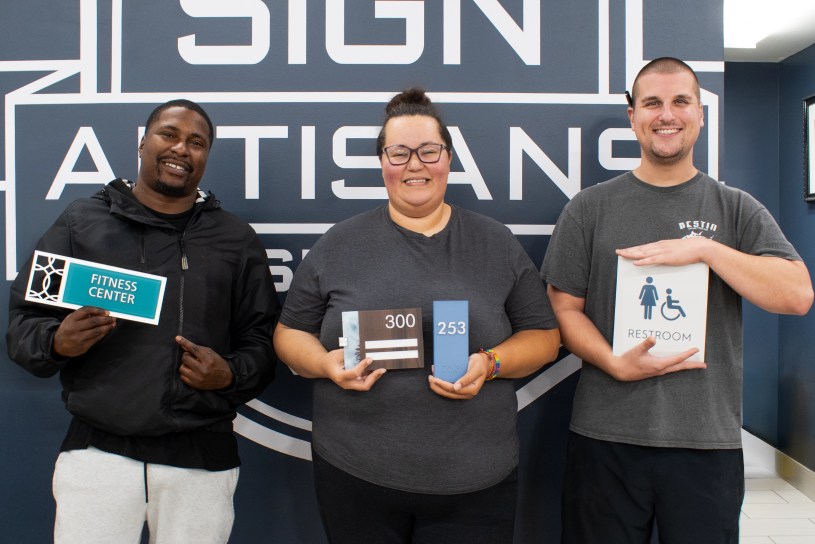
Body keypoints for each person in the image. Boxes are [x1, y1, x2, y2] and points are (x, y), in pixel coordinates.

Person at [541, 57, 814, 543]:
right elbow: (563, 308)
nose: (666, 115)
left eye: (680, 102)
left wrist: (707, 250)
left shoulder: (735, 208)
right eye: (652, 103)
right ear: (633, 116)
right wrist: (612, 361)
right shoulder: (589, 208)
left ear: (700, 114)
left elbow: (797, 295)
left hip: (707, 442)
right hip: (606, 439)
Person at [273, 88, 560, 543]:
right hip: (355, 474)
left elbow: (544, 338)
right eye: (399, 152)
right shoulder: (340, 243)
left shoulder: (495, 242)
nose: (414, 165)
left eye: (429, 151)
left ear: (448, 158)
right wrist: (325, 365)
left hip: (476, 481)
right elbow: (289, 333)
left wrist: (490, 363)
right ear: (382, 162)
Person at [7, 99, 280, 543]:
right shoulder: (81, 222)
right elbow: (23, 323)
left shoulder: (235, 239)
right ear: (143, 142)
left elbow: (264, 342)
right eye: (168, 134)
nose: (181, 149)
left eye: (196, 142)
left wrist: (230, 373)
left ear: (206, 156)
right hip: (98, 456)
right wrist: (57, 341)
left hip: (200, 461)